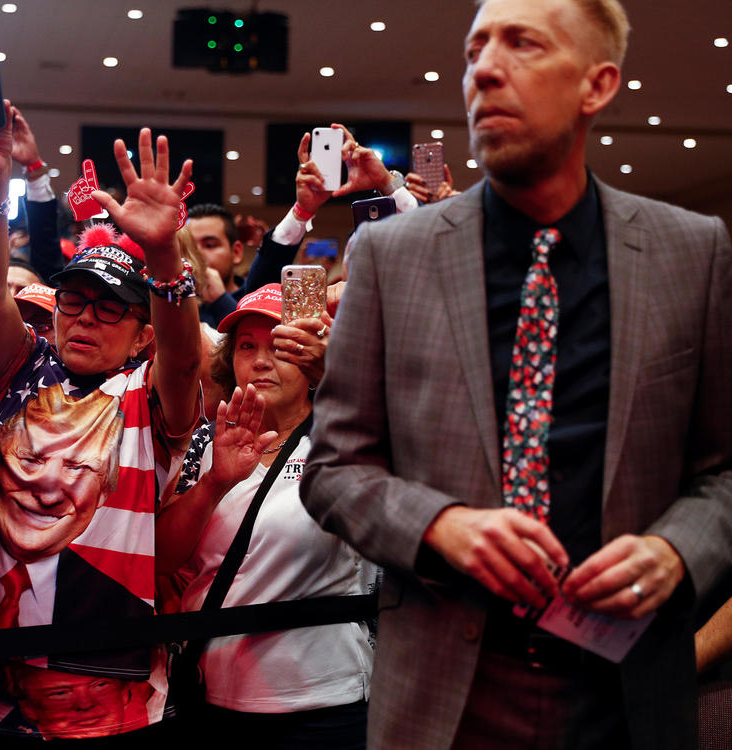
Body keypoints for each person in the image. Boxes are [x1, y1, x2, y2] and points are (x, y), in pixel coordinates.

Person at [300, 1, 732, 749]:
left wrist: (675, 550)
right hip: (448, 694)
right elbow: (334, 469)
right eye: (475, 51)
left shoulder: (691, 253)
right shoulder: (391, 257)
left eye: (522, 44)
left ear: (597, 85)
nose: (485, 71)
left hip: (628, 697)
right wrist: (440, 524)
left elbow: (724, 471)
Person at [0, 83, 201, 745]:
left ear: (141, 332)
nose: (85, 317)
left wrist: (166, 254)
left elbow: (184, 353)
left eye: (109, 307)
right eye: (73, 303)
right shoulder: (21, 366)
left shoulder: (148, 391)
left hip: (108, 692)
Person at [157, 284, 372, 750]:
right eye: (247, 346)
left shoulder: (347, 436)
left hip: (322, 700)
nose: (259, 360)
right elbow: (163, 560)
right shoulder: (203, 442)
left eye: (279, 345)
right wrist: (215, 482)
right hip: (211, 693)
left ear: (312, 359)